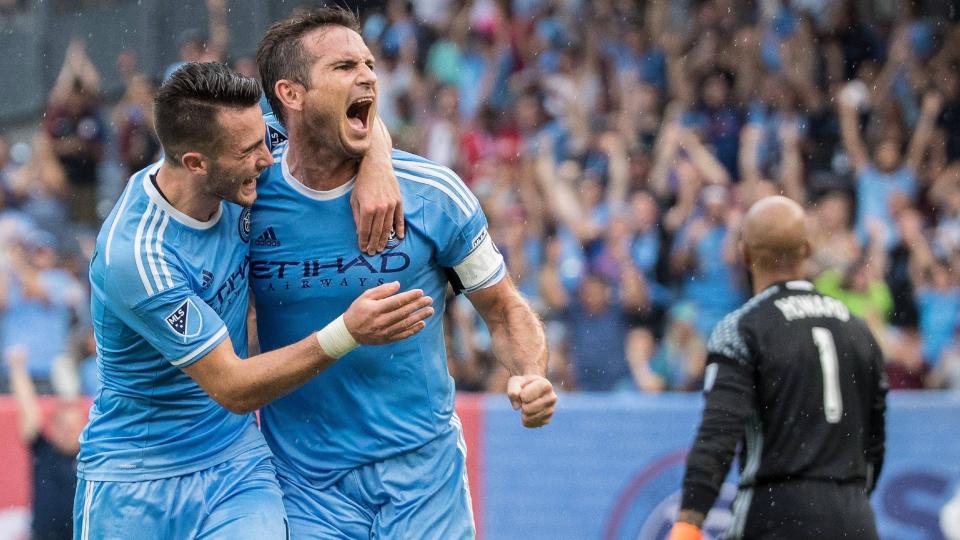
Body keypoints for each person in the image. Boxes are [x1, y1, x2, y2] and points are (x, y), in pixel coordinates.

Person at [74, 62, 434, 539]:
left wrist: (377, 164)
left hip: (235, 466)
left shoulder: (242, 136)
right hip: (136, 479)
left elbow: (349, 114)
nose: (269, 158)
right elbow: (233, 386)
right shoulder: (137, 256)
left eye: (265, 140)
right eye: (251, 151)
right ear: (196, 163)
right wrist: (349, 332)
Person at [253, 8, 558, 537]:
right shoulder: (249, 202)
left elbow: (505, 309)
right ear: (291, 94)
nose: (368, 75)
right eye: (343, 66)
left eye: (369, 63)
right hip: (304, 485)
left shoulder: (435, 195)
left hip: (424, 478)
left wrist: (530, 372)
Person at [669, 196, 888, 540]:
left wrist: (689, 521)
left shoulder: (743, 328)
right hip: (854, 516)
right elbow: (875, 441)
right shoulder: (857, 329)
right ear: (808, 248)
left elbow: (718, 433)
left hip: (775, 511)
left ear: (744, 254)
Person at [6, 346, 86, 540]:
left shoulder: (90, 458)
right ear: (54, 428)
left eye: (74, 426)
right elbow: (28, 411)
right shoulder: (45, 451)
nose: (69, 431)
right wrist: (17, 368)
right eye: (64, 425)